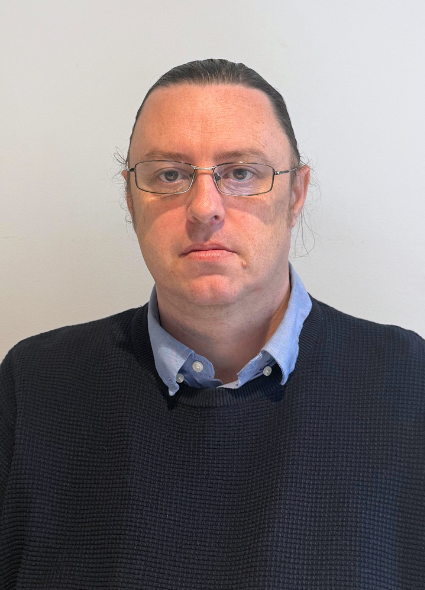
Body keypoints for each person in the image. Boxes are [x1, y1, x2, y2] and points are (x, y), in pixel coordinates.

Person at [0, 59, 424, 590]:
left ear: (295, 194)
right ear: (130, 198)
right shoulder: (35, 385)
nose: (204, 208)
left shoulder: (409, 384)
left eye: (241, 173)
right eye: (169, 175)